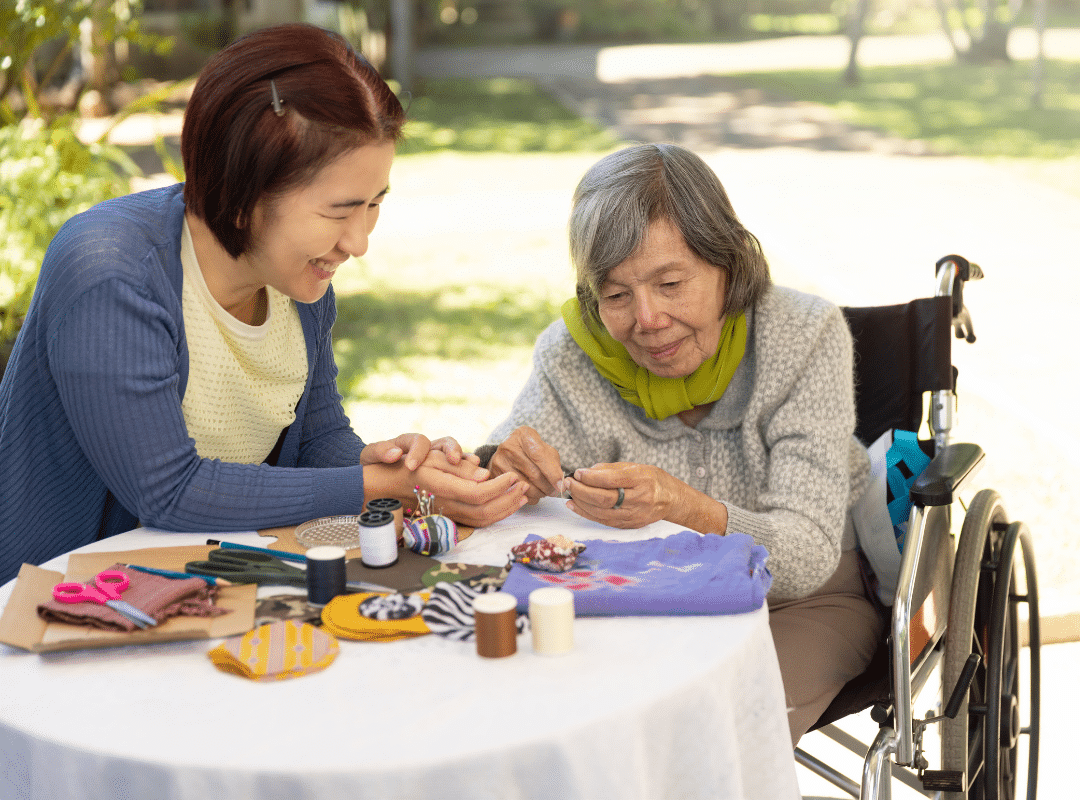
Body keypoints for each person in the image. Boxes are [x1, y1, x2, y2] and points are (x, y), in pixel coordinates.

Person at [0, 23, 528, 584]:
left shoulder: (300, 282)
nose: (358, 243)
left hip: (199, 589)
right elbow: (169, 492)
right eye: (338, 211)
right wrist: (377, 486)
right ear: (244, 190)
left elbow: (319, 441)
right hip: (59, 606)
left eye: (375, 204)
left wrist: (396, 466)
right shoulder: (110, 271)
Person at [477, 143, 883, 744]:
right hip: (643, 597)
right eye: (616, 295)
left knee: (703, 731)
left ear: (729, 265)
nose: (646, 318)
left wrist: (680, 506)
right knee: (569, 719)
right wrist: (498, 465)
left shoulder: (803, 336)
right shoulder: (572, 354)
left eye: (671, 283)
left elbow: (805, 555)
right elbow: (499, 484)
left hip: (801, 605)